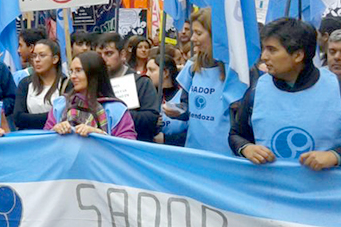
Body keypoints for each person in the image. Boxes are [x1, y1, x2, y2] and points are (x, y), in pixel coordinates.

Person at [229, 18, 341, 170]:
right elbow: (236, 134)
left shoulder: (338, 88)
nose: (264, 57)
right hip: (270, 190)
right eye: (264, 49)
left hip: (325, 191)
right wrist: (246, 148)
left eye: (272, 50)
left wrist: (335, 156)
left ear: (298, 55)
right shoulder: (257, 88)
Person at [163, 8, 239, 156]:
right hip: (194, 150)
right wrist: (176, 111)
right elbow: (187, 107)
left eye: (198, 33)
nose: (192, 39)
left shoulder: (237, 70)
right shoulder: (192, 66)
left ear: (215, 35)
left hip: (227, 154)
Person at [45, 51, 137, 139]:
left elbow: (127, 146)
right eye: (71, 71)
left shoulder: (116, 110)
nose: (73, 76)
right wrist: (54, 131)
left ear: (94, 73)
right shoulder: (60, 105)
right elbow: (44, 140)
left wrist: (99, 135)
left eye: (78, 70)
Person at [94, 32, 160, 142]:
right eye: (99, 54)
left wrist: (116, 114)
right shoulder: (92, 81)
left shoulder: (141, 82)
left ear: (122, 54)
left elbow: (151, 118)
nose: (103, 59)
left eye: (109, 54)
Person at [13, 39, 68, 130]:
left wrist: (30, 118)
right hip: (31, 138)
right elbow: (18, 118)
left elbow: (66, 116)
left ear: (55, 59)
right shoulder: (25, 84)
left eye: (42, 56)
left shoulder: (66, 84)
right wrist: (52, 116)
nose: (37, 60)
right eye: (34, 56)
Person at [146, 53, 186, 146]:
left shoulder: (183, 96)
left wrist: (167, 139)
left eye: (151, 70)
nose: (147, 74)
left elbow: (191, 131)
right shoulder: (147, 97)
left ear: (165, 73)